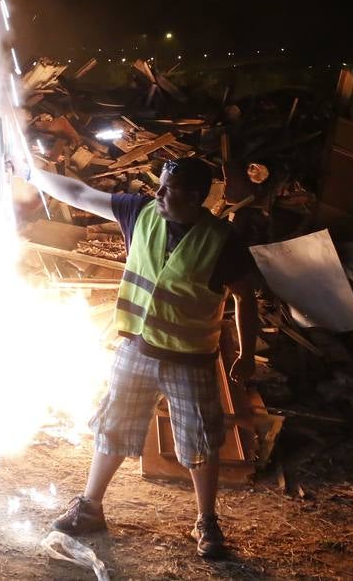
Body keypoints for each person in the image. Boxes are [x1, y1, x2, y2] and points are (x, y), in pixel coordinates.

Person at [22, 156, 258, 560]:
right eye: (160, 185)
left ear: (197, 197)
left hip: (190, 359)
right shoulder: (139, 212)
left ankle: (206, 521)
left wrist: (247, 353)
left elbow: (245, 297)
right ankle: (90, 506)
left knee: (200, 441)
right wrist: (29, 172)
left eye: (170, 189)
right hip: (137, 349)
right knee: (113, 425)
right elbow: (79, 193)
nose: (159, 193)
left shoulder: (221, 240)